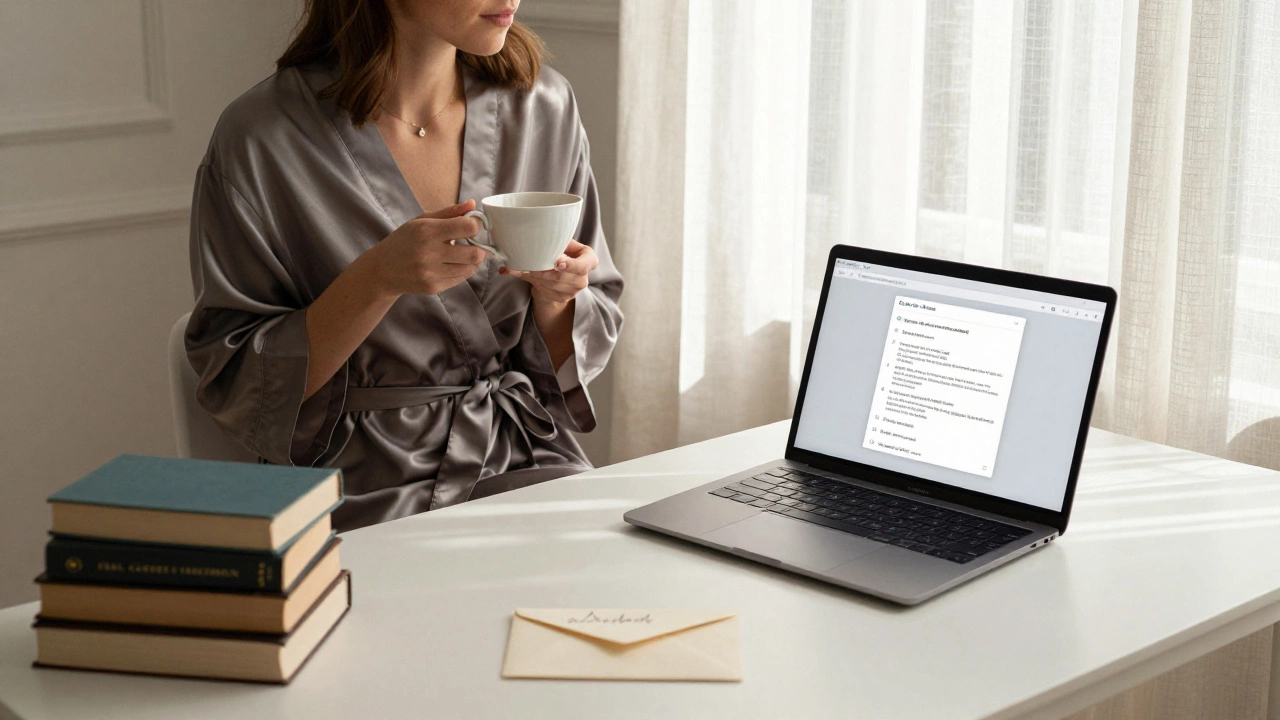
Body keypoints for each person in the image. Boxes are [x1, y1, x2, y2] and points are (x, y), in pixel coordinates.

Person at [185, 0, 623, 532]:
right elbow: (234, 378)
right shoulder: (261, 137)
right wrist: (377, 279)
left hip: (528, 462)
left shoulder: (542, 106)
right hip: (360, 489)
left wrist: (559, 297)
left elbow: (572, 345)